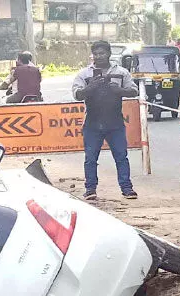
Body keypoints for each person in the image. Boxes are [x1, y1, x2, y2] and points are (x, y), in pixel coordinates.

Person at [72, 40, 139, 200]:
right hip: (92, 122)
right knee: (90, 158)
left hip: (115, 122)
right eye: (95, 54)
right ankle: (90, 189)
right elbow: (76, 94)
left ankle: (127, 188)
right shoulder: (85, 74)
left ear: (109, 54)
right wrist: (90, 88)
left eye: (102, 53)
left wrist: (120, 91)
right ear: (92, 55)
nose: (98, 57)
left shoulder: (121, 72)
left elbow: (134, 91)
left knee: (121, 156)